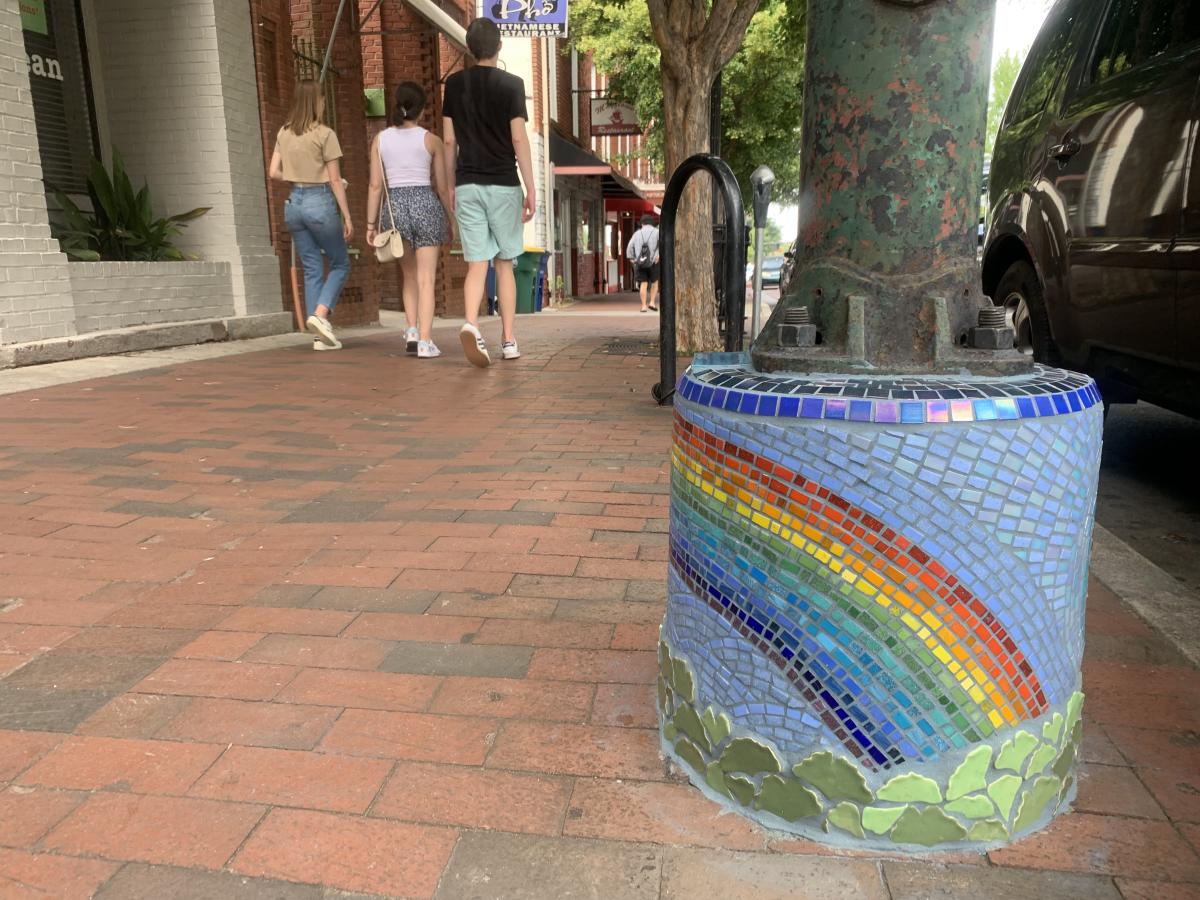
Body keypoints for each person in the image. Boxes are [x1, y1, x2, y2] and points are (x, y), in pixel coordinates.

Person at [442, 18, 536, 368]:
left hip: (467, 183)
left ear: (468, 49)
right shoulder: (512, 85)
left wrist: (451, 184)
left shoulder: (454, 85)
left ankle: (471, 324)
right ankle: (508, 340)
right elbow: (518, 138)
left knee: (475, 263)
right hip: (503, 184)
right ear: (498, 47)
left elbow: (449, 140)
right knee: (505, 263)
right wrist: (530, 187)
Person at [367, 81, 454, 359]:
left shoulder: (380, 140)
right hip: (426, 206)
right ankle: (426, 341)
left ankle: (412, 330)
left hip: (395, 209)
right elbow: (442, 187)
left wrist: (370, 225)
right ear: (422, 108)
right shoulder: (431, 140)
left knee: (409, 275)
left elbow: (375, 186)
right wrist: (450, 218)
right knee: (427, 278)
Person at [269, 79, 353, 351]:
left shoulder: (284, 132)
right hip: (319, 201)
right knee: (340, 263)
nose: (324, 103)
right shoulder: (325, 134)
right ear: (316, 102)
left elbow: (273, 172)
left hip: (293, 202)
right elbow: (336, 180)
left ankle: (320, 337)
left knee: (312, 267)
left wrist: (297, 176)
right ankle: (320, 314)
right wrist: (347, 215)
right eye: (322, 99)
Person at [626, 214, 660, 313]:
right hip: (654, 261)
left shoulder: (637, 233)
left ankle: (644, 306)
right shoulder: (657, 232)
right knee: (654, 283)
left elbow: (629, 247)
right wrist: (659, 255)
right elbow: (662, 244)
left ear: (642, 224)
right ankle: (652, 303)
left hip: (640, 263)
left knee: (643, 284)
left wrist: (631, 258)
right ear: (652, 223)